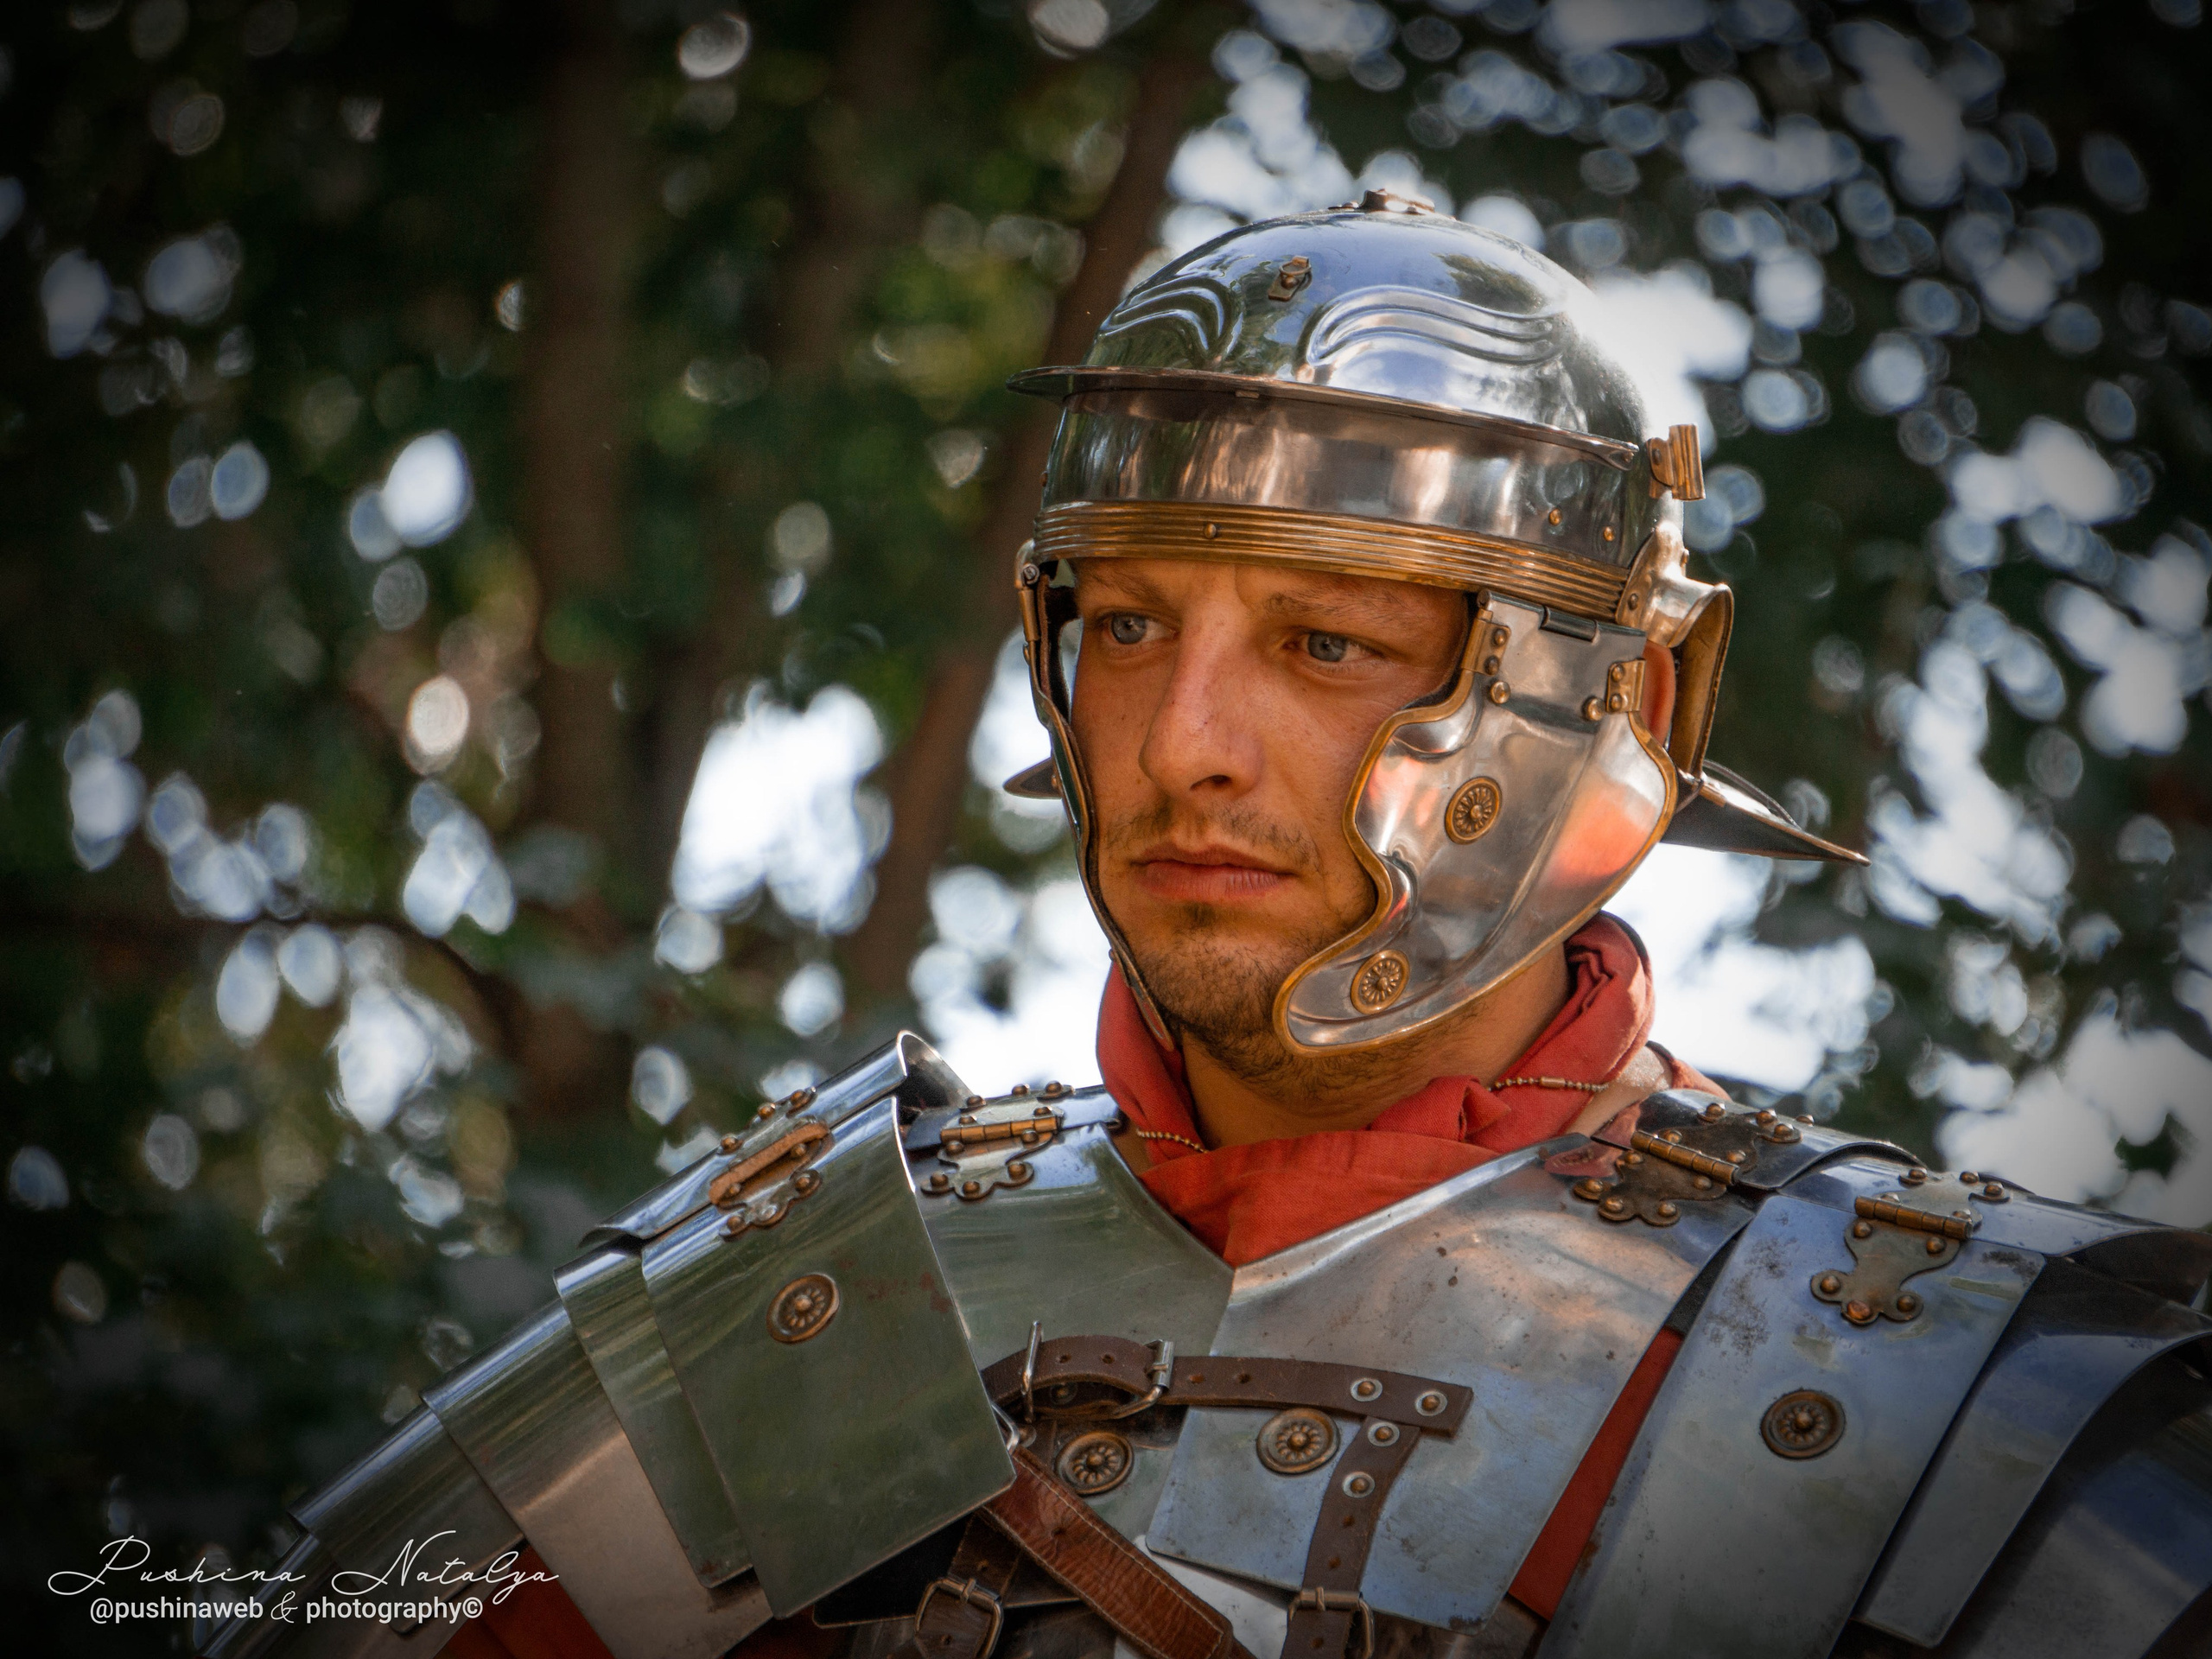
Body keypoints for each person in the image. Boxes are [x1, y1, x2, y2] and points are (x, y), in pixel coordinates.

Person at [206, 199, 2212, 1659]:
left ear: (1622, 705)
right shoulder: (800, 1288)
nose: (1179, 748)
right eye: (1132, 625)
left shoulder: (1925, 1387)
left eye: (1326, 643)